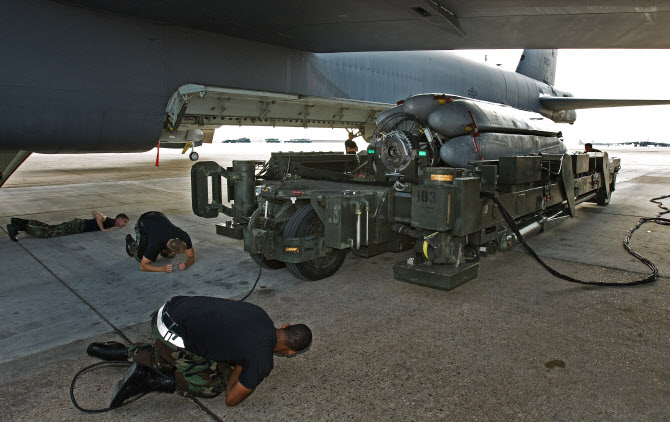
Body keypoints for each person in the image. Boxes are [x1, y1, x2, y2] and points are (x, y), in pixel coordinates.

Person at [86, 295, 313, 408]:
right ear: (290, 353)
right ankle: (149, 380)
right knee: (211, 385)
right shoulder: (261, 360)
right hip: (171, 336)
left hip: (165, 311)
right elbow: (231, 399)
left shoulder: (260, 313)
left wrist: (241, 359)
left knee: (204, 355)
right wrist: (243, 367)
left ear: (285, 326)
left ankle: (119, 352)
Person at [125, 211, 195, 272]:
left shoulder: (183, 235)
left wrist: (186, 264)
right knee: (141, 258)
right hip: (144, 221)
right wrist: (162, 269)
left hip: (159, 216)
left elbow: (191, 257)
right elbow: (143, 266)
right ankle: (130, 243)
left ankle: (162, 251)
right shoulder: (155, 243)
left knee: (169, 256)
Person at [6, 211, 129, 242]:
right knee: (50, 233)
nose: (124, 225)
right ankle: (17, 228)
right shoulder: (109, 220)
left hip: (77, 224)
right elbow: (97, 214)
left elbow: (94, 213)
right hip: (78, 226)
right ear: (119, 219)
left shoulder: (111, 223)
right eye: (124, 222)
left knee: (50, 227)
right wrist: (102, 228)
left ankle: (18, 221)